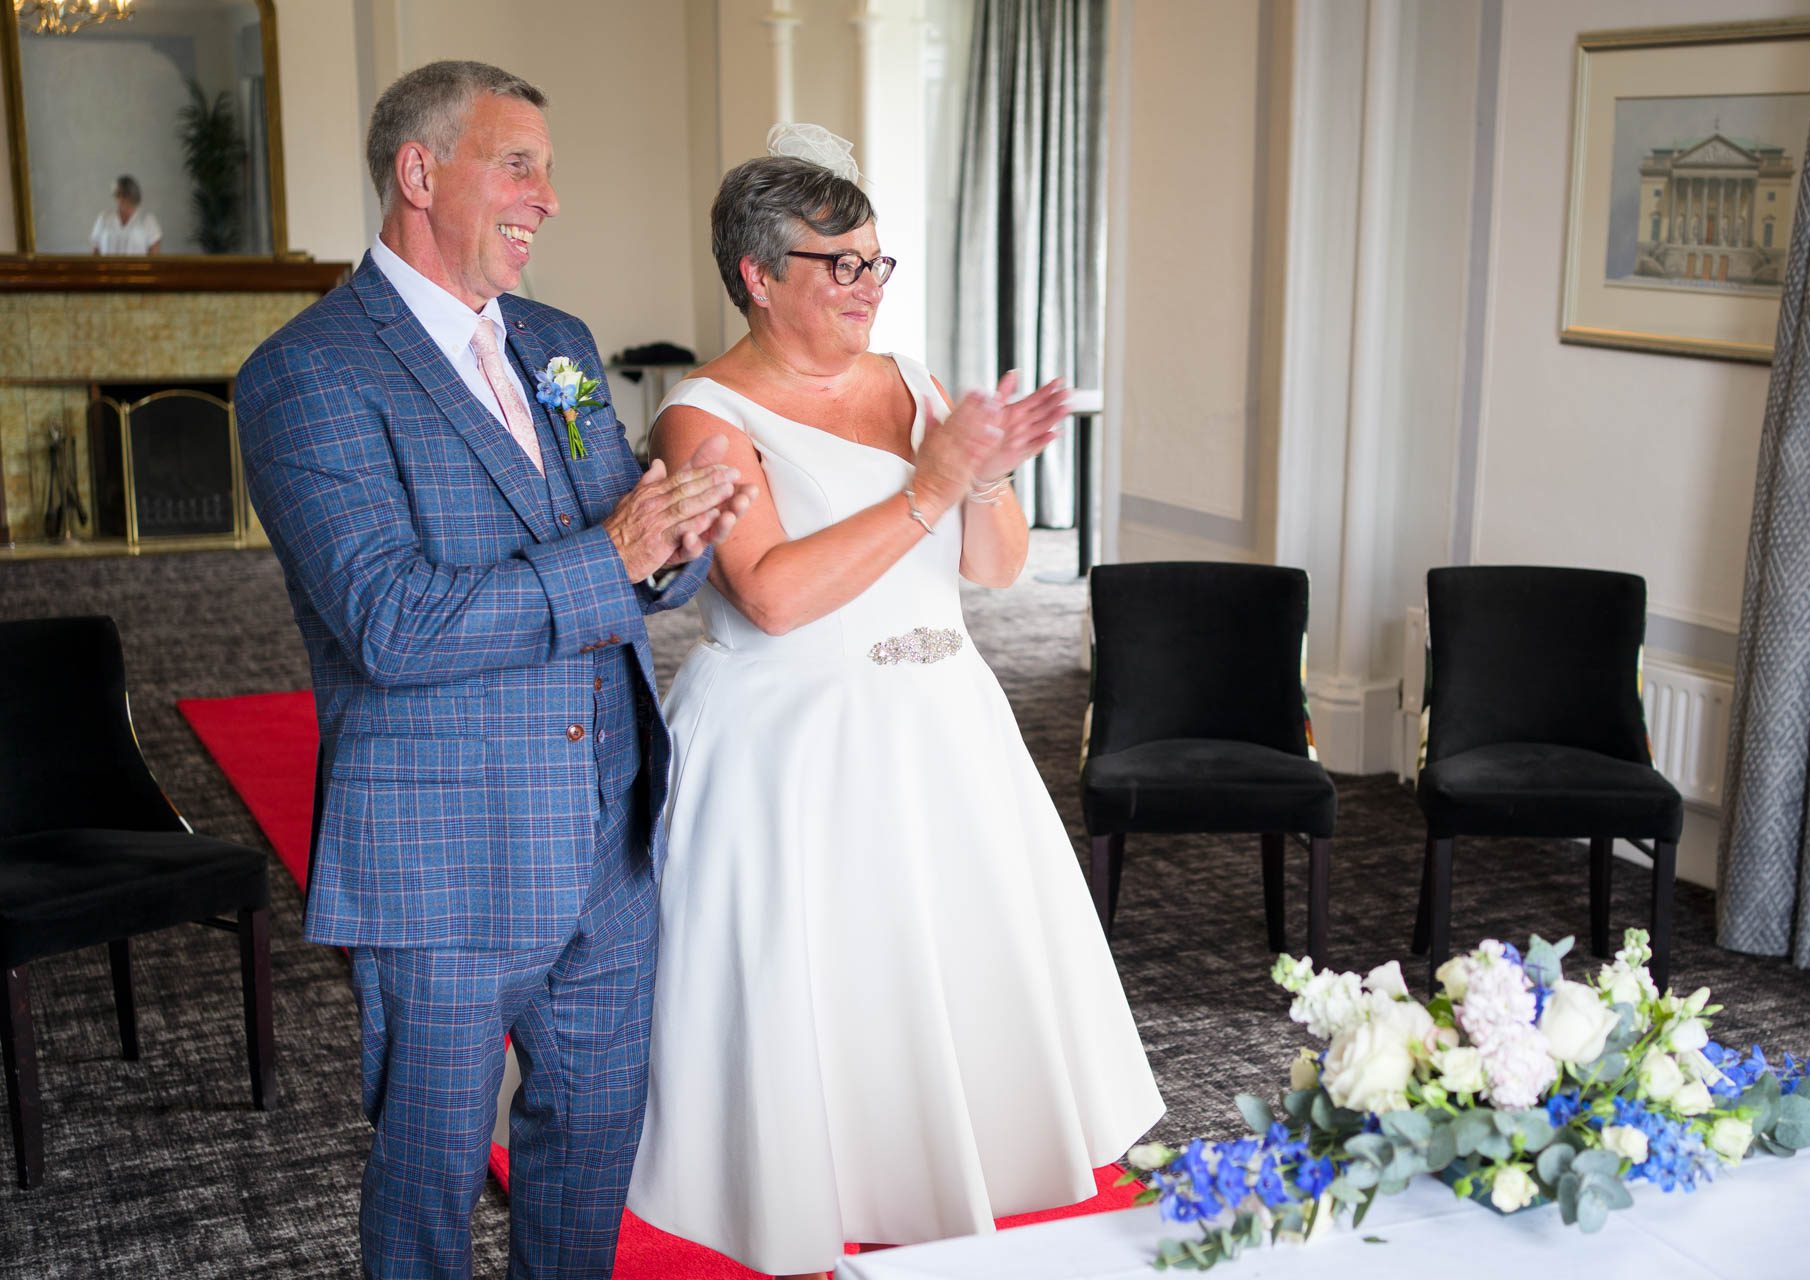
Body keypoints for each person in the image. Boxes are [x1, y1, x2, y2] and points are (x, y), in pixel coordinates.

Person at [235, 61, 753, 1278]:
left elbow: (620, 551)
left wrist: (681, 539)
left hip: (611, 838)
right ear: (421, 173)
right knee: (429, 1175)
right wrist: (619, 547)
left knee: (588, 1149)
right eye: (518, 165)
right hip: (443, 858)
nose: (548, 198)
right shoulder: (306, 373)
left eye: (546, 170)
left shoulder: (557, 344)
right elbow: (392, 621)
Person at [625, 129, 1165, 1280]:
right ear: (759, 276)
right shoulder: (702, 417)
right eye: (843, 265)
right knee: (822, 979)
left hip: (943, 719)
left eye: (879, 262)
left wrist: (988, 470)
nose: (870, 287)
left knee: (952, 959)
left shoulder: (909, 380)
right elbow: (769, 595)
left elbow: (1000, 569)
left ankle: (947, 1166)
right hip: (796, 737)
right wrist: (931, 481)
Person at [89, 175, 162, 255]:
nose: (120, 199)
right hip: (107, 267)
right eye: (117, 194)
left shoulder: (148, 220)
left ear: (133, 194)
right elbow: (95, 252)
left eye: (124, 195)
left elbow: (154, 255)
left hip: (138, 267)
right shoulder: (104, 218)